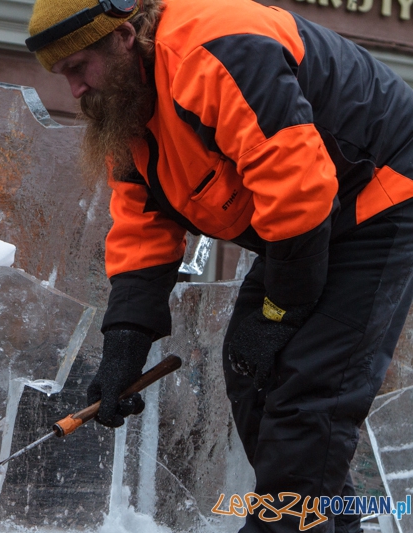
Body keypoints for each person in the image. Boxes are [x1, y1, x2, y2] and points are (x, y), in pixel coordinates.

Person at [26, 0, 413, 531]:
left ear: (121, 36)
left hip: (382, 192)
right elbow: (142, 228)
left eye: (77, 67)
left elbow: (297, 192)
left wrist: (277, 315)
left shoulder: (216, 51)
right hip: (311, 217)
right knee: (252, 370)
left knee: (308, 394)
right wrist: (122, 350)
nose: (73, 88)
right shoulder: (129, 101)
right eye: (61, 74)